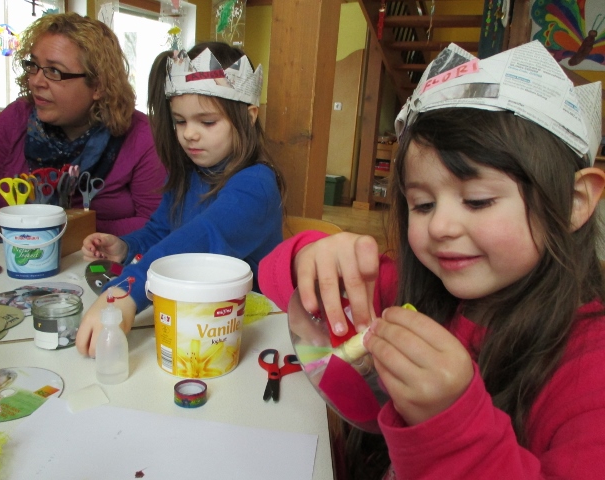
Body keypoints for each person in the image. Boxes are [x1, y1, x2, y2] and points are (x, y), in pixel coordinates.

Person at [258, 42, 605, 478]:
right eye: (422, 204)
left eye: (477, 201)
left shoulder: (589, 369)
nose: (440, 226)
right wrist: (312, 256)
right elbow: (274, 278)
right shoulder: (415, 288)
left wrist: (452, 420)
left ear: (574, 201)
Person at [76, 42, 285, 357]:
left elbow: (202, 239)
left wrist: (127, 291)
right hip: (192, 315)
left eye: (207, 122)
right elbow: (163, 230)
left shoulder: (257, 185)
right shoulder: (189, 174)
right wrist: (126, 247)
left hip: (246, 328)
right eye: (181, 121)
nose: (190, 134)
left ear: (249, 116)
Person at [0, 12, 165, 239]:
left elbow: (157, 225)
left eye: (54, 71)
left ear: (98, 86)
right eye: (34, 66)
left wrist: (59, 225)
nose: (36, 81)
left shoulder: (143, 136)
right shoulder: (16, 117)